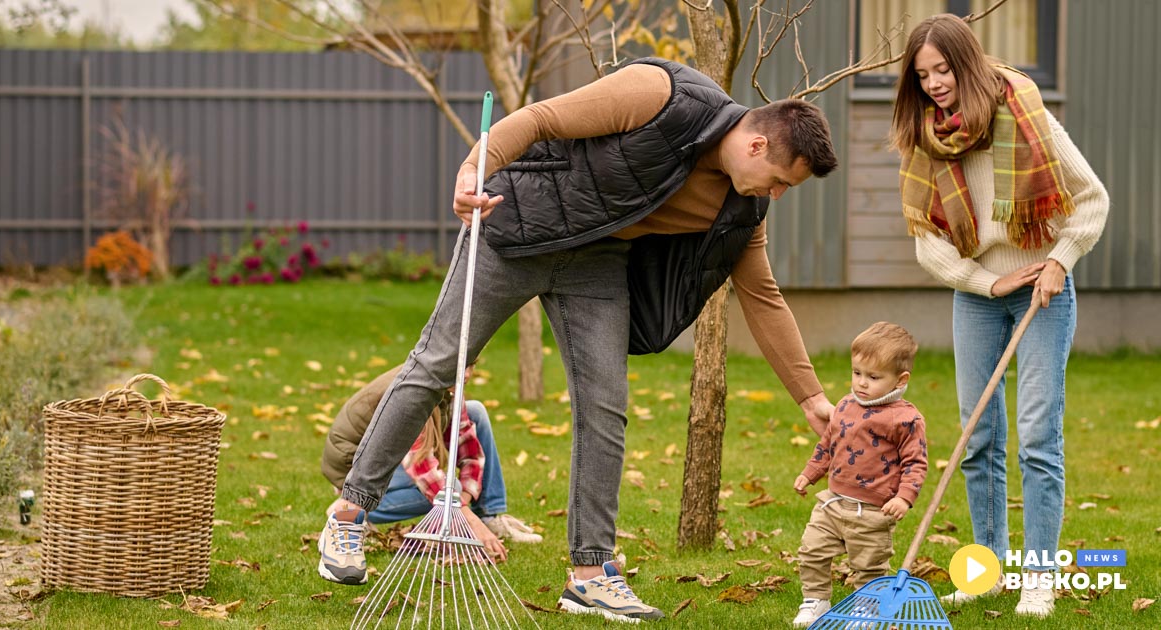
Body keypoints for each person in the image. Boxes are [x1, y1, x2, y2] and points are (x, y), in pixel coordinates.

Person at [324, 57, 840, 623]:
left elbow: (763, 296)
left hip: (598, 262)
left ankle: (590, 575)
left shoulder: (744, 208)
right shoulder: (662, 94)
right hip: (518, 229)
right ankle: (348, 517)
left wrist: (812, 398)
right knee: (438, 364)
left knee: (605, 408)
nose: (778, 195)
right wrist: (474, 170)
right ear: (758, 145)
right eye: (782, 182)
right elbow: (539, 118)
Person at [891, 14, 1109, 618]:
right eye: (922, 74)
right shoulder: (925, 138)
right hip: (981, 295)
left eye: (943, 70)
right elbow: (927, 240)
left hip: (1043, 288)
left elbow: (1092, 197)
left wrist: (1060, 259)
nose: (934, 84)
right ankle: (986, 572)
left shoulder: (1027, 111)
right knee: (978, 437)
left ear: (968, 63)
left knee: (1038, 437)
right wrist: (986, 281)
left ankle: (1037, 576)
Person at [317, 365, 540, 586]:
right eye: (462, 366)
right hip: (355, 466)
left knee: (476, 411)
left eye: (472, 365)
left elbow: (469, 449)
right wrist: (465, 516)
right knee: (448, 488)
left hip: (392, 458)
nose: (468, 374)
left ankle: (489, 517)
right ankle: (350, 508)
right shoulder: (411, 392)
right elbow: (421, 467)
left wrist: (467, 505)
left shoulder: (445, 383)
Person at [791, 322, 928, 627]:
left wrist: (905, 498)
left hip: (872, 512)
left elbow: (915, 463)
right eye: (857, 373)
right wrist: (810, 473)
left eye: (873, 377)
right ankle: (816, 601)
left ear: (900, 379)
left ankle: (867, 608)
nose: (862, 383)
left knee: (869, 566)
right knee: (811, 551)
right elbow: (828, 442)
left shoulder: (906, 419)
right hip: (832, 502)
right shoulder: (844, 405)